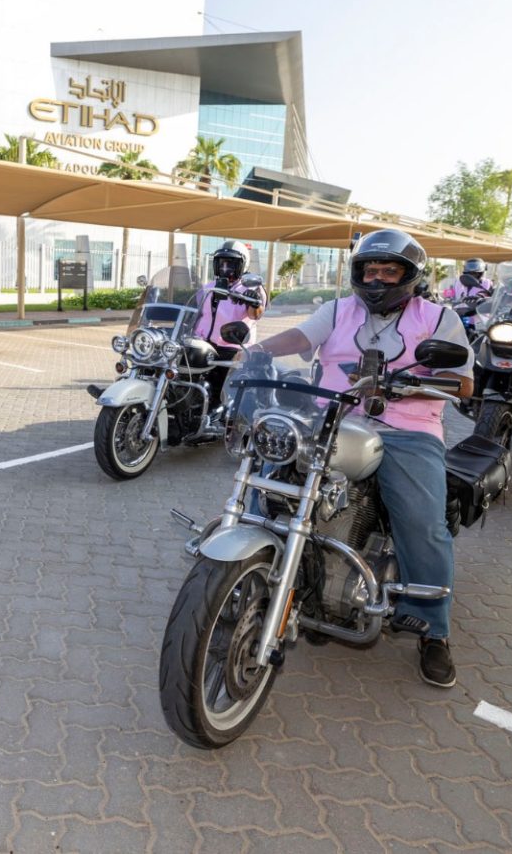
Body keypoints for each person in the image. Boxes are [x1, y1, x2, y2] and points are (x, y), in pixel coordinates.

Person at [255, 229, 473, 688]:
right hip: (331, 419)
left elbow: (463, 382)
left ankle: (432, 629)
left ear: (409, 276)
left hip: (405, 428)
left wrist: (413, 385)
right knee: (270, 484)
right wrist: (255, 351)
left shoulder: (438, 317)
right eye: (369, 270)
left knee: (422, 522)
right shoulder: (338, 309)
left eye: (388, 271)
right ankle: (263, 576)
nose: (376, 279)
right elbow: (300, 336)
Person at [191, 241, 267, 424]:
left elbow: (255, 315)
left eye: (231, 263)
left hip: (233, 347)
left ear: (242, 265)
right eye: (222, 262)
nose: (225, 267)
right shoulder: (208, 287)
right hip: (204, 344)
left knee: (222, 390)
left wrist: (254, 302)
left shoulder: (251, 289)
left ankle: (219, 420)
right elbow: (193, 312)